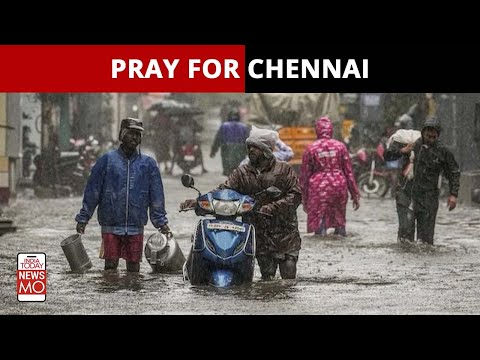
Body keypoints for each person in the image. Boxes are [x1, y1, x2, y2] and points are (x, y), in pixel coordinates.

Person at [182, 127, 302, 280]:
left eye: (255, 147)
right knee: (267, 278)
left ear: (266, 150)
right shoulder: (241, 172)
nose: (251, 150)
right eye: (249, 147)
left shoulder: (284, 170)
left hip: (285, 232)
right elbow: (223, 190)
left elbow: (296, 195)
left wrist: (272, 207)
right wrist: (199, 202)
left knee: (288, 272)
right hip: (258, 232)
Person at [75, 117, 171, 273]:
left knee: (134, 270)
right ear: (122, 135)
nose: (135, 137)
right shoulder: (106, 161)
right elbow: (93, 191)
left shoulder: (148, 165)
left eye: (138, 134)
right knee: (110, 268)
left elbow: (156, 197)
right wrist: (83, 218)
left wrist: (161, 222)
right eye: (131, 133)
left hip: (136, 227)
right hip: (110, 226)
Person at [384, 116, 460, 245]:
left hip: (428, 198)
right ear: (422, 133)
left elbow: (453, 172)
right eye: (428, 136)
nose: (430, 139)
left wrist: (453, 194)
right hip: (406, 194)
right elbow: (387, 156)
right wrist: (403, 150)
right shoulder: (410, 144)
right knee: (405, 236)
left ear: (438, 136)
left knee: (426, 241)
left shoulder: (442, 151)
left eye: (434, 137)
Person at [299, 116, 360, 237]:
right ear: (331, 130)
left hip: (318, 188)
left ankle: (321, 237)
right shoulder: (340, 147)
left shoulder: (311, 148)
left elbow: (304, 176)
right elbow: (349, 173)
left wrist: (303, 198)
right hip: (339, 185)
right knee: (339, 217)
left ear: (317, 130)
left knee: (319, 218)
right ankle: (340, 235)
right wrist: (355, 194)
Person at [210, 110, 250, 176]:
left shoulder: (224, 126)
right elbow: (248, 140)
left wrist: (213, 151)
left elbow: (218, 139)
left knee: (228, 171)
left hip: (227, 151)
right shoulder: (244, 127)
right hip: (240, 152)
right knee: (239, 171)